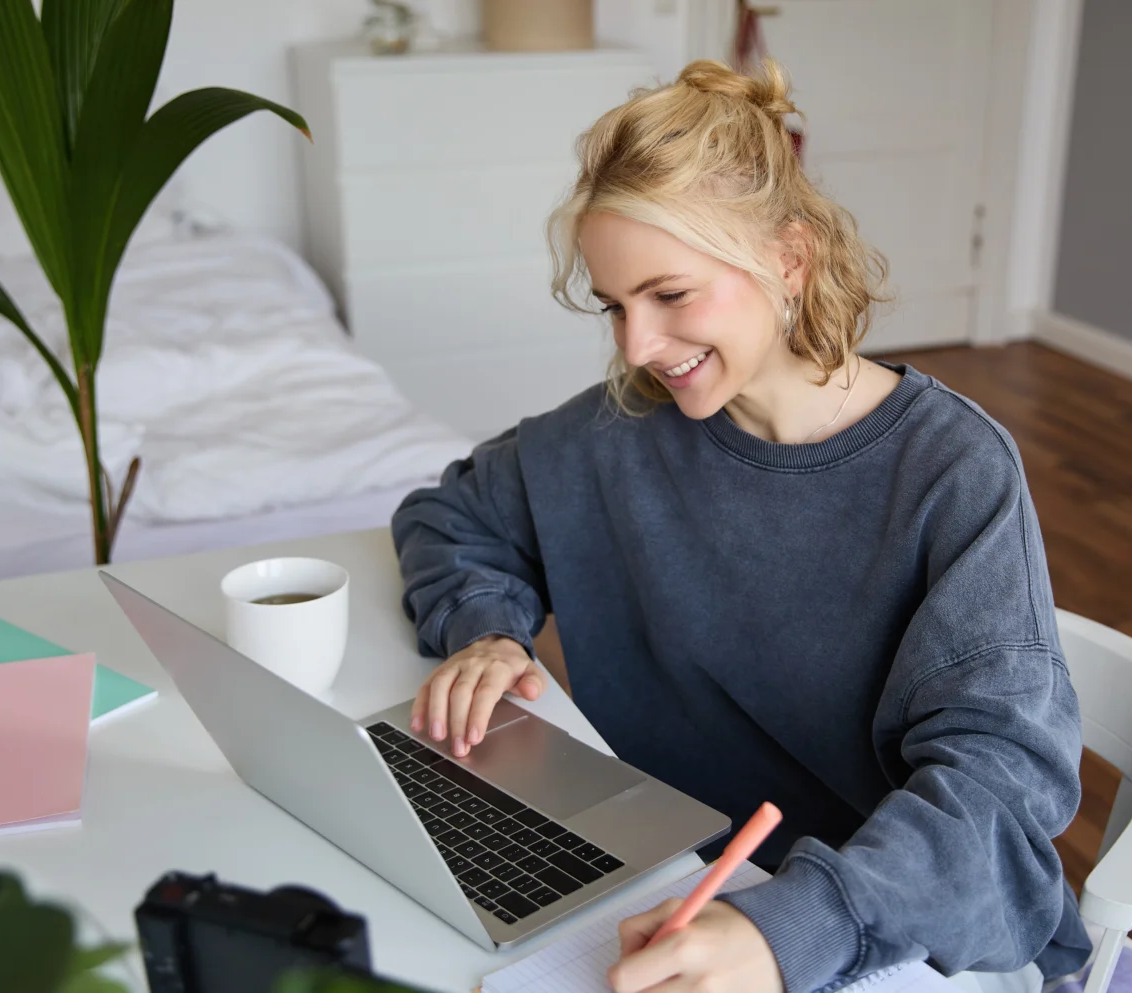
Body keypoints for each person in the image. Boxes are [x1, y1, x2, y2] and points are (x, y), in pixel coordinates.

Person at [390, 58, 1090, 993]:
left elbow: (999, 794)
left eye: (671, 296)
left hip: (887, 923)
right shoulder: (619, 427)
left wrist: (793, 929)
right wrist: (483, 626)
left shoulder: (951, 471)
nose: (636, 346)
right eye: (615, 306)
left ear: (788, 261)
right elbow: (450, 513)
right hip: (671, 879)